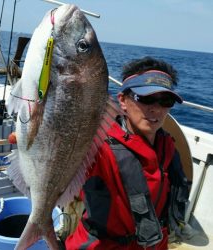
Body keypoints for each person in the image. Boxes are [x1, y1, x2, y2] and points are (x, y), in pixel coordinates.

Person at [65, 56, 190, 250]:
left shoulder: (167, 145)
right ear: (122, 100)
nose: (156, 109)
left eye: (165, 101)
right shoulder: (98, 147)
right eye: (146, 98)